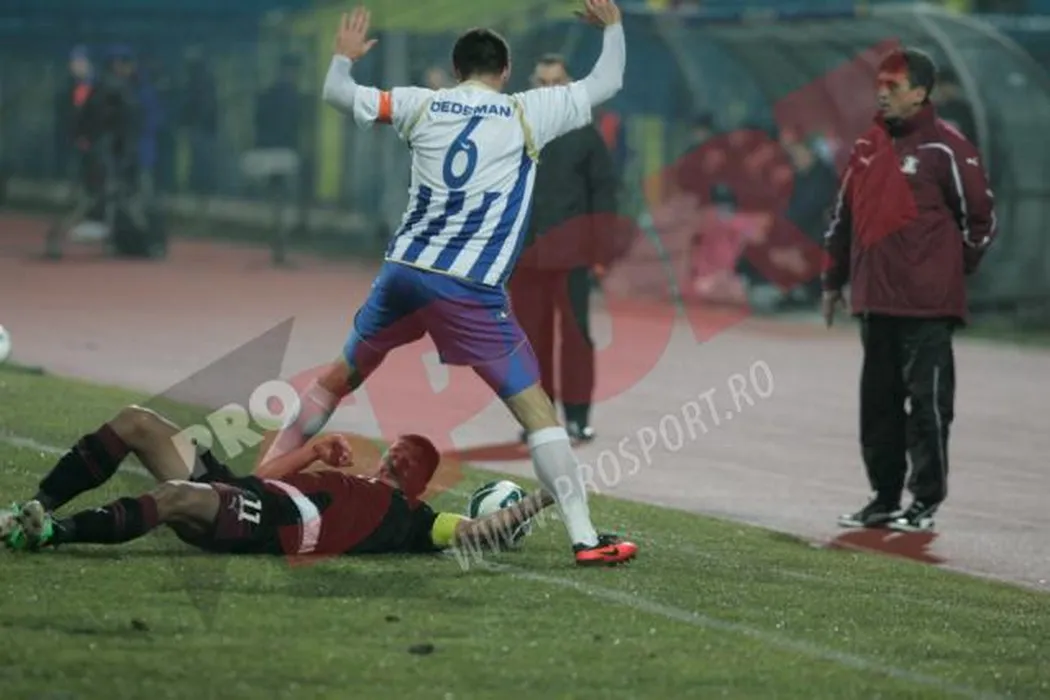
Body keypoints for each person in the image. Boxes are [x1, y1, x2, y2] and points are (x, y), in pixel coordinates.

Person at [261, 1, 637, 567]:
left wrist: (342, 59)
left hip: (403, 274)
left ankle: (262, 483)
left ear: (458, 69)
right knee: (538, 414)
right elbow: (608, 81)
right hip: (467, 289)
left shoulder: (421, 103)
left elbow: (338, 94)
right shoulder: (527, 111)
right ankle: (586, 539)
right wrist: (613, 27)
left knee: (338, 379)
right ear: (505, 71)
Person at [822, 48, 997, 533]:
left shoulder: (948, 148)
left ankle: (924, 501)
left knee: (928, 406)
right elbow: (843, 217)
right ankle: (883, 498)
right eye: (879, 84)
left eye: (893, 86)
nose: (882, 93)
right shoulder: (867, 148)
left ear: (920, 93)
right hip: (875, 300)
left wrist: (946, 271)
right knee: (878, 407)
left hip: (927, 306)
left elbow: (981, 219)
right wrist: (833, 279)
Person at [1, 406, 552, 558]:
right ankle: (29, 506)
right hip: (248, 491)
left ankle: (49, 533)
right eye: (398, 450)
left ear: (420, 484)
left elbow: (477, 531)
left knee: (173, 498)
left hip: (267, 521)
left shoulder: (415, 520)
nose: (398, 457)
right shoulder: (345, 479)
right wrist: (312, 451)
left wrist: (546, 497)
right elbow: (260, 479)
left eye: (411, 460)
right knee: (136, 422)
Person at [508, 53, 620, 444]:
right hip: (524, 254)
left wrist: (602, 251)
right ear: (532, 86)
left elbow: (603, 194)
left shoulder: (585, 134)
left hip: (571, 254)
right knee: (528, 340)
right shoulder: (515, 131)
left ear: (568, 85)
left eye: (556, 82)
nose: (549, 89)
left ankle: (577, 416)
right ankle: (538, 419)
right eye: (542, 82)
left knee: (575, 336)